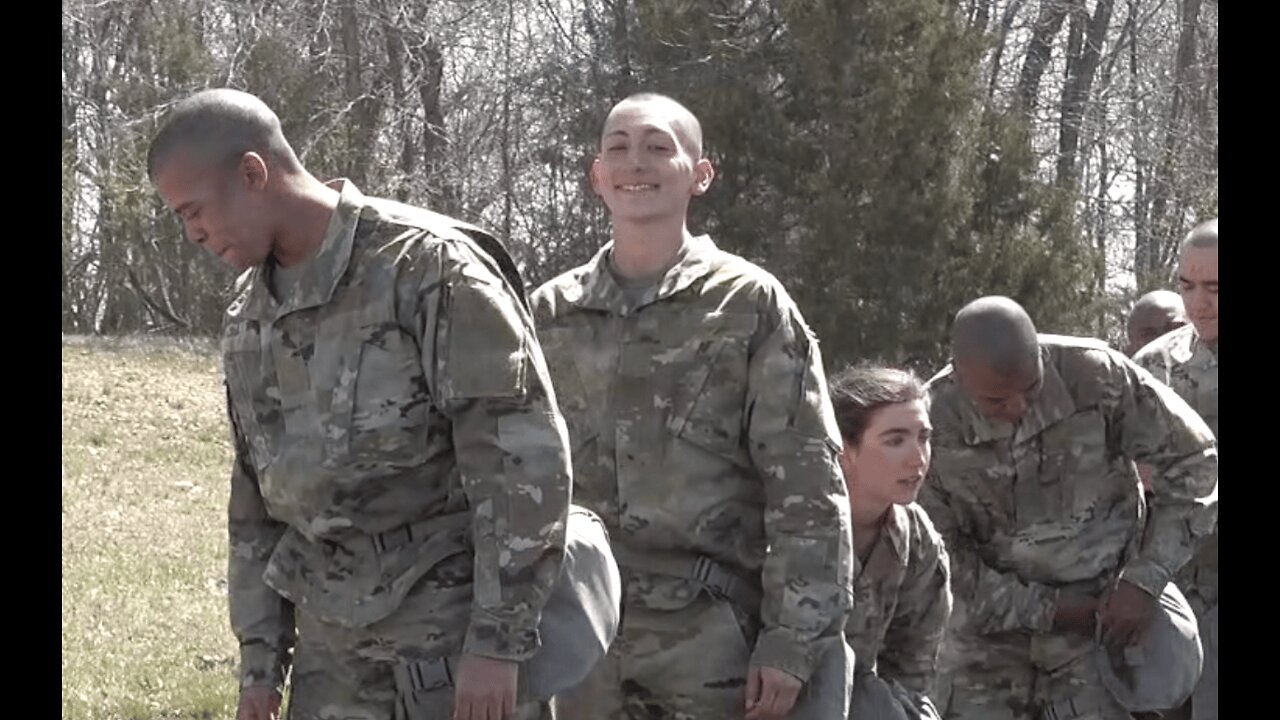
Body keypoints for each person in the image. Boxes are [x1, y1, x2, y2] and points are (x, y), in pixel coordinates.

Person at [147, 88, 573, 720]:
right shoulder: (248, 318)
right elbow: (256, 505)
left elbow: (520, 467)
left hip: (449, 654)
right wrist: (260, 665)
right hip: (330, 664)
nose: (194, 234)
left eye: (195, 211)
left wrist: (499, 642)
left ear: (252, 173)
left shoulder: (428, 269)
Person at [530, 92, 853, 720]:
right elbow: (510, 476)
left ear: (699, 174)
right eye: (618, 148)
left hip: (710, 641)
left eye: (658, 147)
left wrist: (791, 640)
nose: (636, 163)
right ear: (597, 176)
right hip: (576, 638)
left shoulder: (749, 304)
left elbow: (808, 484)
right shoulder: (548, 312)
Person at [920, 296, 1217, 720]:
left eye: (1032, 388)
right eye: (997, 402)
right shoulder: (931, 422)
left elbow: (1196, 461)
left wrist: (1145, 577)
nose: (1020, 408)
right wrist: (1050, 608)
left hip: (1104, 630)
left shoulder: (1095, 375)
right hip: (988, 646)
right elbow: (941, 565)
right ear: (961, 377)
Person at [828, 364, 951, 720]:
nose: (918, 458)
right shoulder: (788, 525)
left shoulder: (916, 538)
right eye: (895, 440)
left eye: (923, 438)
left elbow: (912, 670)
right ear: (844, 448)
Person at [1133, 218, 1218, 720]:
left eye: (1214, 287)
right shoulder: (1153, 366)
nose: (1199, 302)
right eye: (1187, 285)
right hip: (1169, 591)